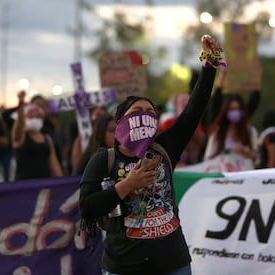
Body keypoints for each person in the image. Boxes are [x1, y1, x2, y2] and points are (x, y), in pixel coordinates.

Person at [79, 35, 222, 275]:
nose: (145, 115)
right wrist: (127, 185)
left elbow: (195, 108)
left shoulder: (165, 146)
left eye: (150, 112)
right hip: (124, 266)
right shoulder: (104, 159)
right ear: (121, 121)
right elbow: (87, 208)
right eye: (137, 111)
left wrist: (210, 64)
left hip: (173, 263)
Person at [11, 91, 63, 180]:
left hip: (44, 185)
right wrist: (21, 104)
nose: (34, 115)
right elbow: (19, 124)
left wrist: (63, 182)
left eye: (37, 115)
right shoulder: (21, 137)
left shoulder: (47, 138)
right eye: (30, 114)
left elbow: (54, 165)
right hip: (24, 185)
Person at [204, 93, 259, 167]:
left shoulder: (250, 132)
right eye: (232, 110)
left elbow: (257, 159)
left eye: (238, 109)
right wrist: (229, 152)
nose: (235, 113)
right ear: (225, 111)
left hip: (244, 174)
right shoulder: (217, 132)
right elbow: (208, 158)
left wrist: (248, 153)